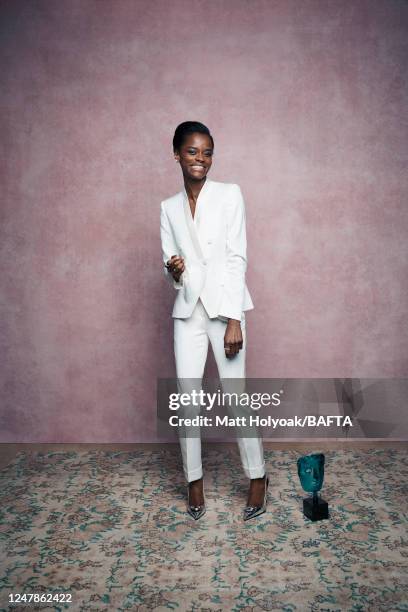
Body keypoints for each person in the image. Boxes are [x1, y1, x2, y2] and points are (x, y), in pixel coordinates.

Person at [160, 121, 268, 520]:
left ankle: (257, 477)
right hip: (188, 314)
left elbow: (237, 257)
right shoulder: (167, 207)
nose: (200, 159)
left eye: (206, 152)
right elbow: (170, 266)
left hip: (225, 311)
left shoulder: (229, 195)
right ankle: (194, 482)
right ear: (176, 154)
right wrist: (173, 270)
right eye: (191, 151)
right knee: (189, 402)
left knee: (237, 398)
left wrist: (235, 317)